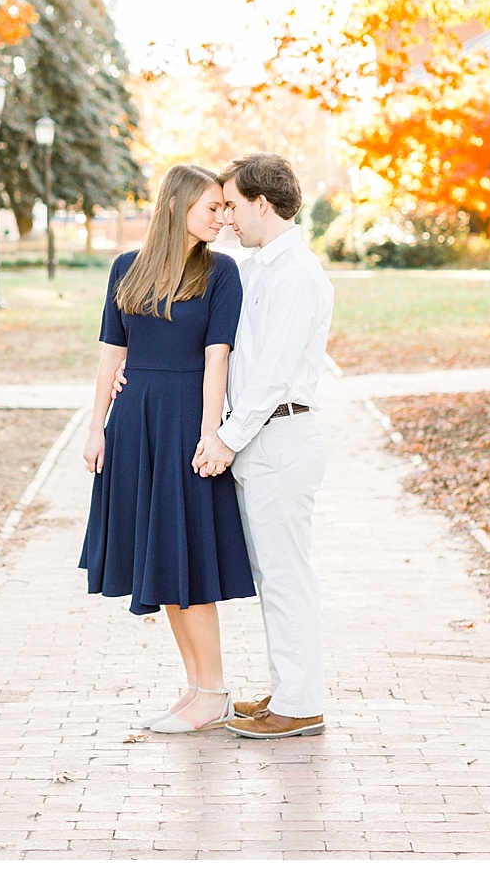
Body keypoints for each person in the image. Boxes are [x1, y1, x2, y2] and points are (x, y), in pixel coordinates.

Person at [79, 163, 256, 734]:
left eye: (227, 208)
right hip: (135, 425)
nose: (223, 217)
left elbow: (217, 358)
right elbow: (112, 354)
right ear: (179, 206)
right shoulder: (125, 269)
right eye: (214, 207)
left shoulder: (222, 272)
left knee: (187, 560)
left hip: (186, 423)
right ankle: (198, 686)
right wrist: (95, 426)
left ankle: (215, 689)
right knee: (162, 558)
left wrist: (211, 434)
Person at [195, 153, 334, 739]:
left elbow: (274, 373)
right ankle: (288, 688)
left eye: (231, 203)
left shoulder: (298, 274)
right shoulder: (255, 269)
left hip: (281, 433)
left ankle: (301, 704)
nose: (225, 216)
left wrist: (225, 440)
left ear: (261, 202)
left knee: (285, 575)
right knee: (271, 572)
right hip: (262, 438)